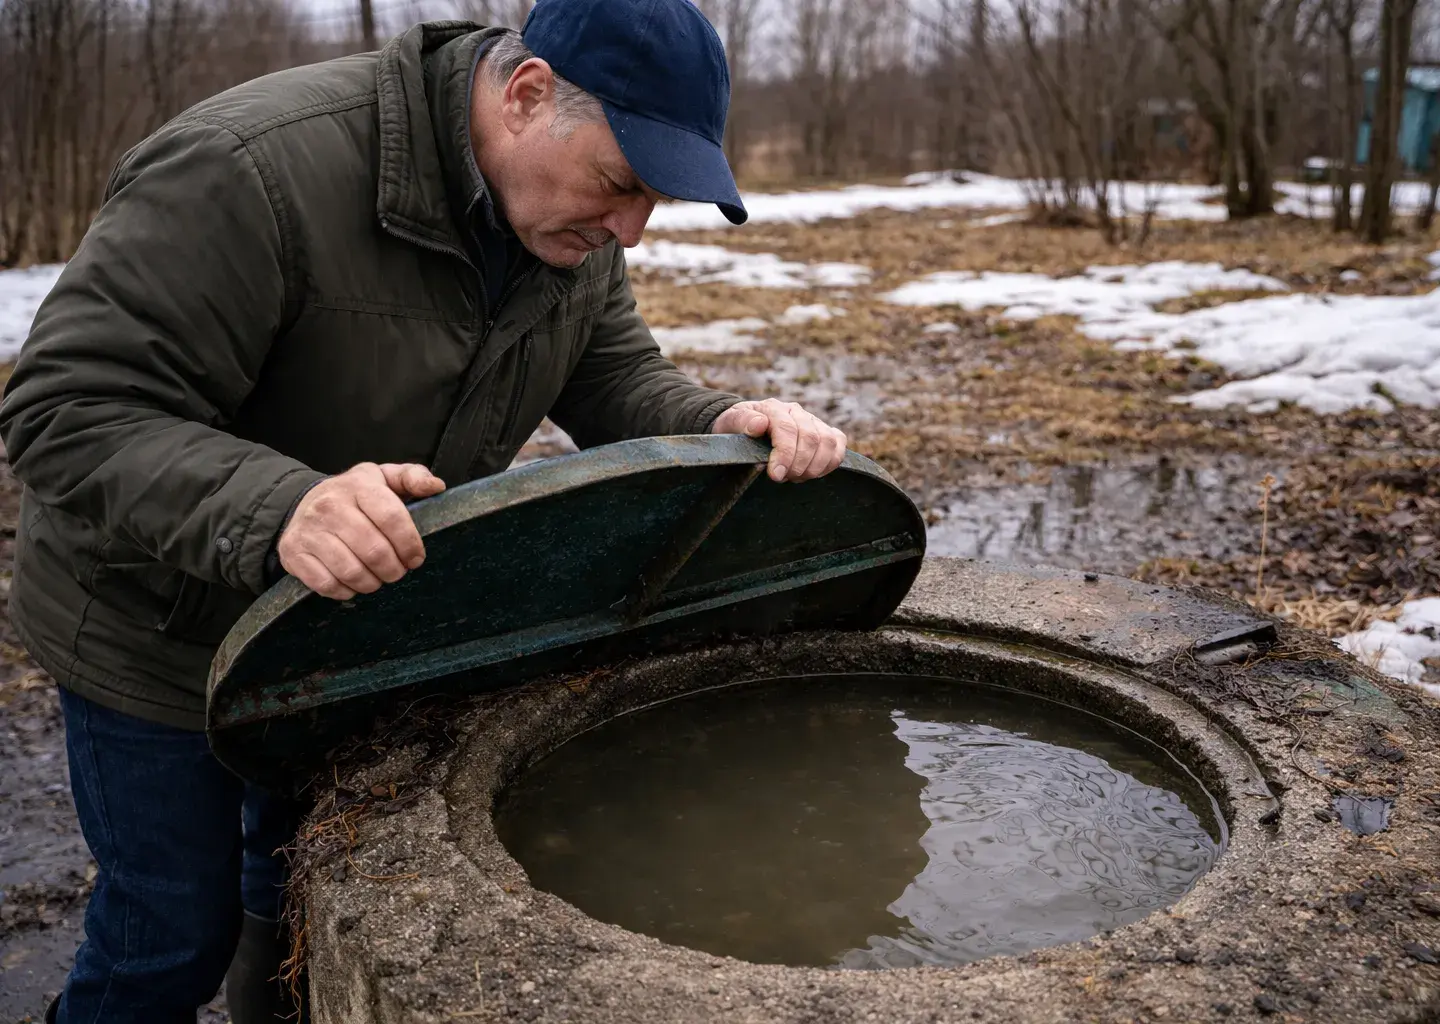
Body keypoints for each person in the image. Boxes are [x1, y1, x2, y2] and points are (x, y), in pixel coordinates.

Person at [0, 1, 848, 1020]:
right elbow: (67, 407)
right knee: (169, 933)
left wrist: (718, 419)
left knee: (299, 883)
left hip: (349, 626)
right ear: (527, 95)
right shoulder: (252, 169)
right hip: (155, 630)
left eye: (653, 201)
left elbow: (613, 373)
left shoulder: (563, 221)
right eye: (623, 185)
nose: (631, 230)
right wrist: (283, 507)